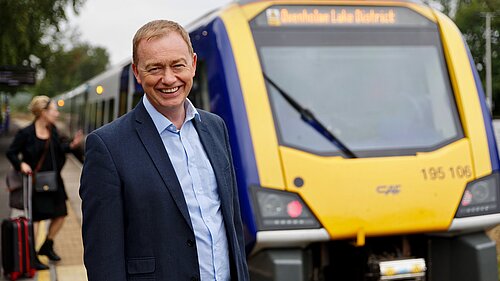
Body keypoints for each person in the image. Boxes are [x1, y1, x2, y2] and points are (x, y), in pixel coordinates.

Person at [79, 20, 249, 281]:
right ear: (137, 72)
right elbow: (103, 258)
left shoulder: (216, 128)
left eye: (177, 65)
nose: (168, 79)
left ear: (193, 64)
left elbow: (231, 225)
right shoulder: (107, 146)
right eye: (155, 68)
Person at [6, 95, 83, 270]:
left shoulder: (53, 131)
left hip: (54, 181)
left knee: (61, 214)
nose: (57, 113)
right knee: (36, 220)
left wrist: (71, 146)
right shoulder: (25, 133)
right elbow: (11, 152)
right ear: (43, 112)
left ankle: (46, 245)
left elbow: (58, 150)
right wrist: (21, 164)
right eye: (54, 110)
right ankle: (31, 256)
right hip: (34, 183)